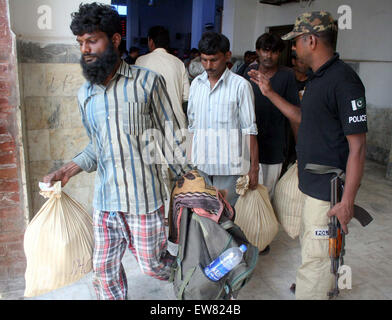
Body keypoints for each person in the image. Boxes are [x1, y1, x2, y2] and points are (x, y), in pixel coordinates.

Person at [43, 3, 187, 300]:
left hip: (144, 201)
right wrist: (67, 170)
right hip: (106, 201)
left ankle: (197, 278)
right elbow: (98, 146)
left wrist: (189, 182)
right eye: (80, 42)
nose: (85, 48)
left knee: (153, 265)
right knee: (104, 270)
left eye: (92, 40)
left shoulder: (147, 82)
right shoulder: (86, 95)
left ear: (115, 39)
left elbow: (170, 137)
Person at [248, 11, 368, 300]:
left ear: (311, 40)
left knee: (317, 254)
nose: (293, 48)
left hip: (328, 191)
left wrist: (347, 201)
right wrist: (269, 93)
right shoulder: (317, 79)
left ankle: (313, 289)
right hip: (310, 184)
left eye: (296, 41)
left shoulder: (344, 82)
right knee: (314, 247)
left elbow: (358, 148)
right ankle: (318, 283)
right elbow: (303, 117)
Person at [187, 31, 259, 208]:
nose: (208, 65)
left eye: (214, 60)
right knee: (203, 217)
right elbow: (192, 125)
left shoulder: (241, 86)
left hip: (229, 168)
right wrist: (189, 161)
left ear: (227, 56)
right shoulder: (196, 84)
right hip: (201, 165)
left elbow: (249, 130)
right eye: (204, 60)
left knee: (225, 216)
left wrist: (254, 169)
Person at [245, 33, 300, 200]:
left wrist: (299, 147)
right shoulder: (248, 73)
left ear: (280, 54)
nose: (268, 56)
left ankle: (265, 226)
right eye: (265, 50)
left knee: (267, 196)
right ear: (257, 51)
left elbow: (294, 114)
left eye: (274, 51)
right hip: (248, 146)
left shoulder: (287, 75)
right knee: (246, 194)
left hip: (274, 147)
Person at [135, 26, 189, 129]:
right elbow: (186, 96)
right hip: (177, 125)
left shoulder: (140, 61)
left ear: (150, 41)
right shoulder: (179, 63)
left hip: (151, 125)